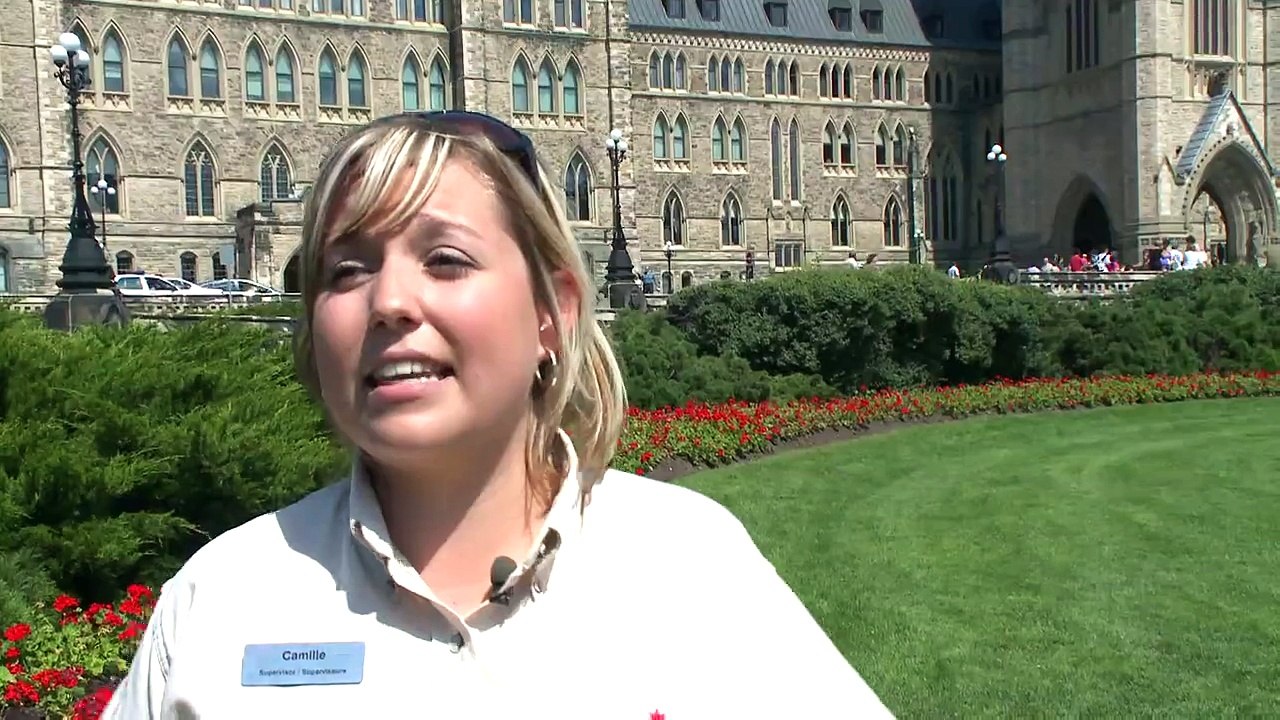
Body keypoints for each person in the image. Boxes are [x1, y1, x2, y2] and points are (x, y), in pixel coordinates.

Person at [103, 112, 892, 719]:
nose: (389, 302)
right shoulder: (222, 600)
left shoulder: (692, 568)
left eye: (445, 260)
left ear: (552, 313)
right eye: (347, 270)